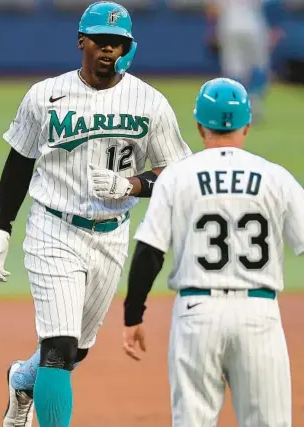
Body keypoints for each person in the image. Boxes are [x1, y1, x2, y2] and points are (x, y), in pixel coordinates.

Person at [0, 2, 191, 426]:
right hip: (53, 229)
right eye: (101, 41)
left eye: (118, 43)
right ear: (82, 41)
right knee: (59, 347)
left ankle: (23, 379)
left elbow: (177, 169)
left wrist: (132, 185)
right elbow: (20, 162)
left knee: (77, 350)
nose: (109, 51)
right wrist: (2, 229)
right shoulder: (45, 95)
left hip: (111, 236)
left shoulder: (150, 103)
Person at [123, 77, 304, 427]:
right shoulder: (275, 177)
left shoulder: (177, 176)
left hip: (196, 313)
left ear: (199, 126)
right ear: (247, 125)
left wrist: (133, 315)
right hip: (259, 313)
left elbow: (149, 251)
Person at [205, 0, 284, 120]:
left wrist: (212, 30)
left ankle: (236, 106)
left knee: (234, 70)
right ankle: (254, 103)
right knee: (260, 67)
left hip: (229, 28)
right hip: (254, 28)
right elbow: (276, 7)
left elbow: (213, 10)